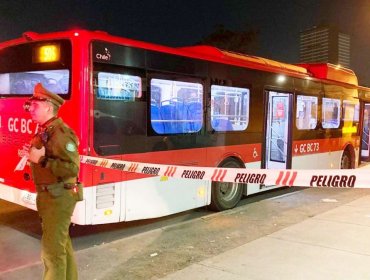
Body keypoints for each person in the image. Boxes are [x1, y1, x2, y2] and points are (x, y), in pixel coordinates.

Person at [22, 83, 80, 280]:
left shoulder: (60, 133)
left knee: (52, 253)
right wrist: (33, 156)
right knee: (61, 245)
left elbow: (72, 168)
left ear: (48, 106)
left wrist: (42, 159)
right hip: (51, 195)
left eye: (35, 105)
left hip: (59, 196)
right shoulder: (47, 130)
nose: (31, 109)